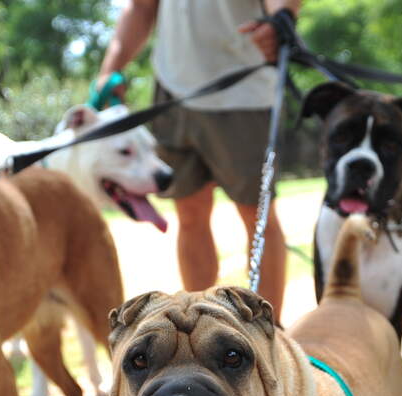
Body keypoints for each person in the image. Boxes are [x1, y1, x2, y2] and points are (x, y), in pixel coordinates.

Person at [94, 0, 301, 322]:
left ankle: (268, 333)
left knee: (257, 217)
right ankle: (200, 329)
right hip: (173, 90)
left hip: (243, 91)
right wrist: (111, 69)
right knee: (189, 215)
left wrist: (282, 15)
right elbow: (141, 7)